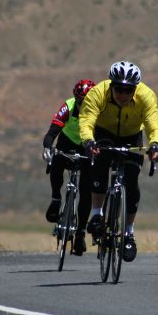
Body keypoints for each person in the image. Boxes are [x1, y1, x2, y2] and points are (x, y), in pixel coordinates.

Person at [79, 60, 158, 262]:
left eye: (128, 90)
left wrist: (156, 145)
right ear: (111, 85)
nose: (123, 95)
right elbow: (87, 120)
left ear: (135, 89)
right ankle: (97, 214)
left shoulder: (146, 96)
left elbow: (153, 125)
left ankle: (128, 233)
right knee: (99, 166)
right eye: (119, 89)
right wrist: (89, 141)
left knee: (132, 182)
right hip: (104, 133)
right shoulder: (98, 92)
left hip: (132, 136)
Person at [42, 79, 96, 256]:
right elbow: (52, 132)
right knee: (57, 160)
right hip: (67, 143)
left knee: (86, 190)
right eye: (81, 102)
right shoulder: (68, 106)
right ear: (76, 99)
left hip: (88, 148)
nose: (83, 105)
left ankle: (80, 234)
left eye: (87, 102)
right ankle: (56, 198)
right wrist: (48, 147)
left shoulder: (101, 111)